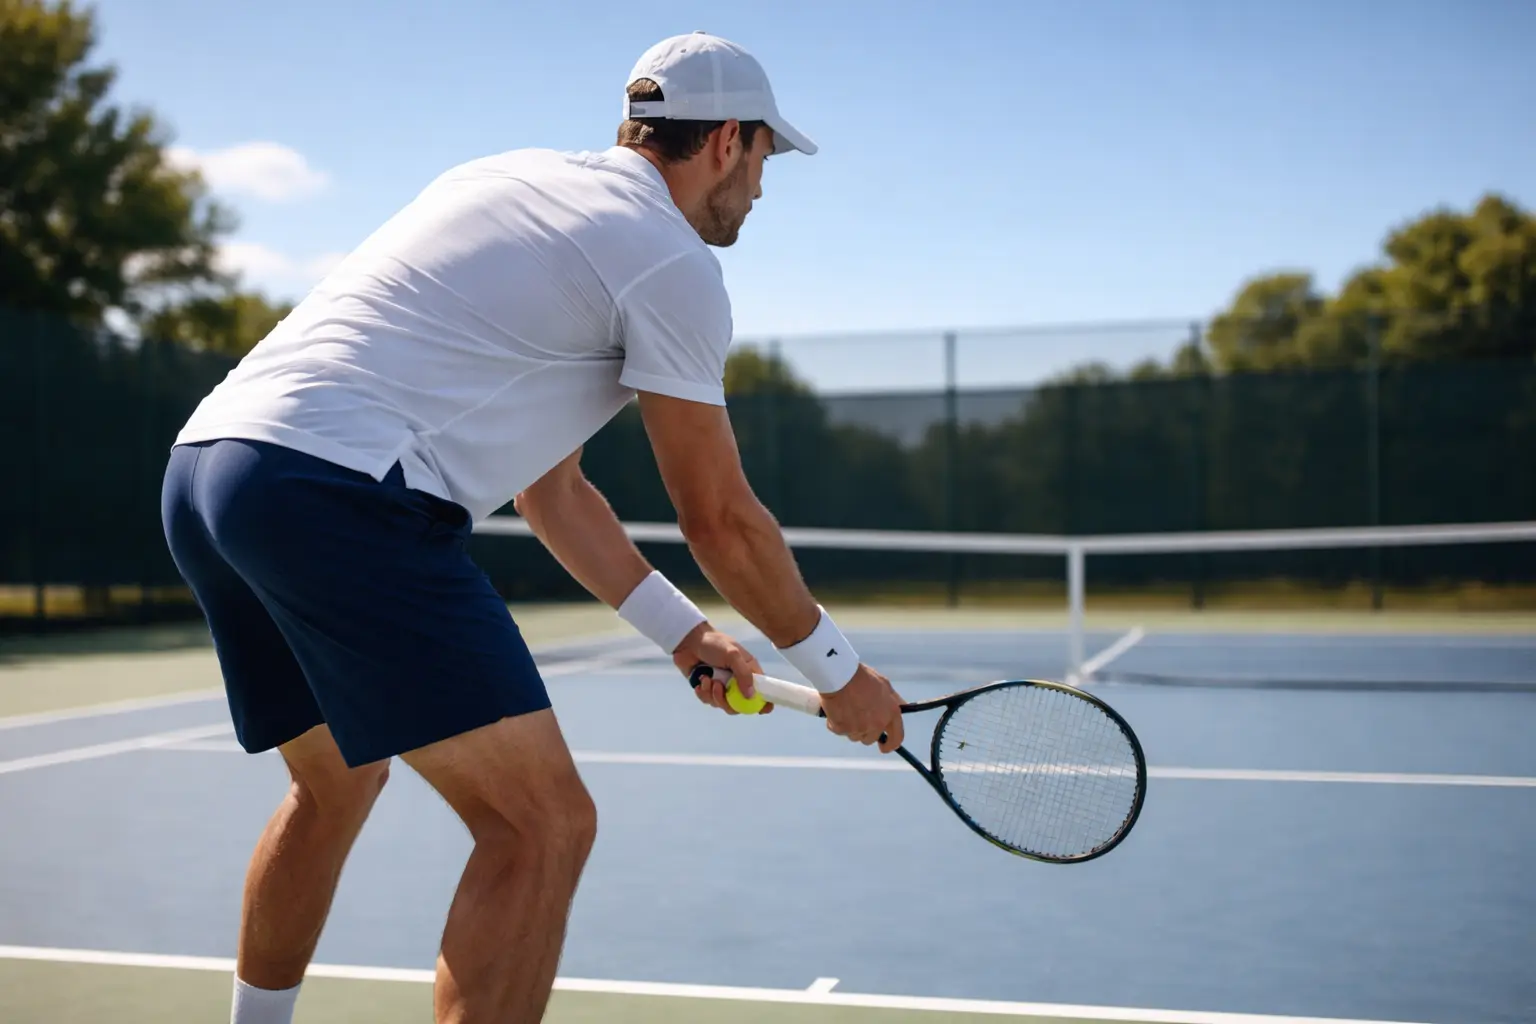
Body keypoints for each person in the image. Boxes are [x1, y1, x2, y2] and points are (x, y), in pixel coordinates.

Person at [160, 30, 905, 1024]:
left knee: (336, 778)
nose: (763, 187)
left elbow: (552, 493)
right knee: (541, 825)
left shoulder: (510, 182)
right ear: (726, 140)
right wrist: (839, 673)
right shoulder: (671, 263)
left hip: (212, 470)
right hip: (338, 499)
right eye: (766, 156)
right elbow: (721, 519)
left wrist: (684, 636)